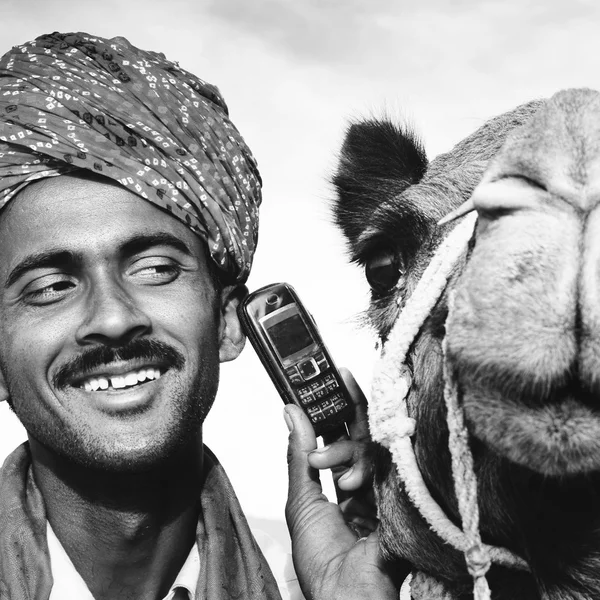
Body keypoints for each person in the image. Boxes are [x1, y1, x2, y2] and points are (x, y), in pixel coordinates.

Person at [0, 31, 397, 600]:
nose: (112, 319)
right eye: (50, 286)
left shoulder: (309, 581)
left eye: (156, 269)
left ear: (229, 323)